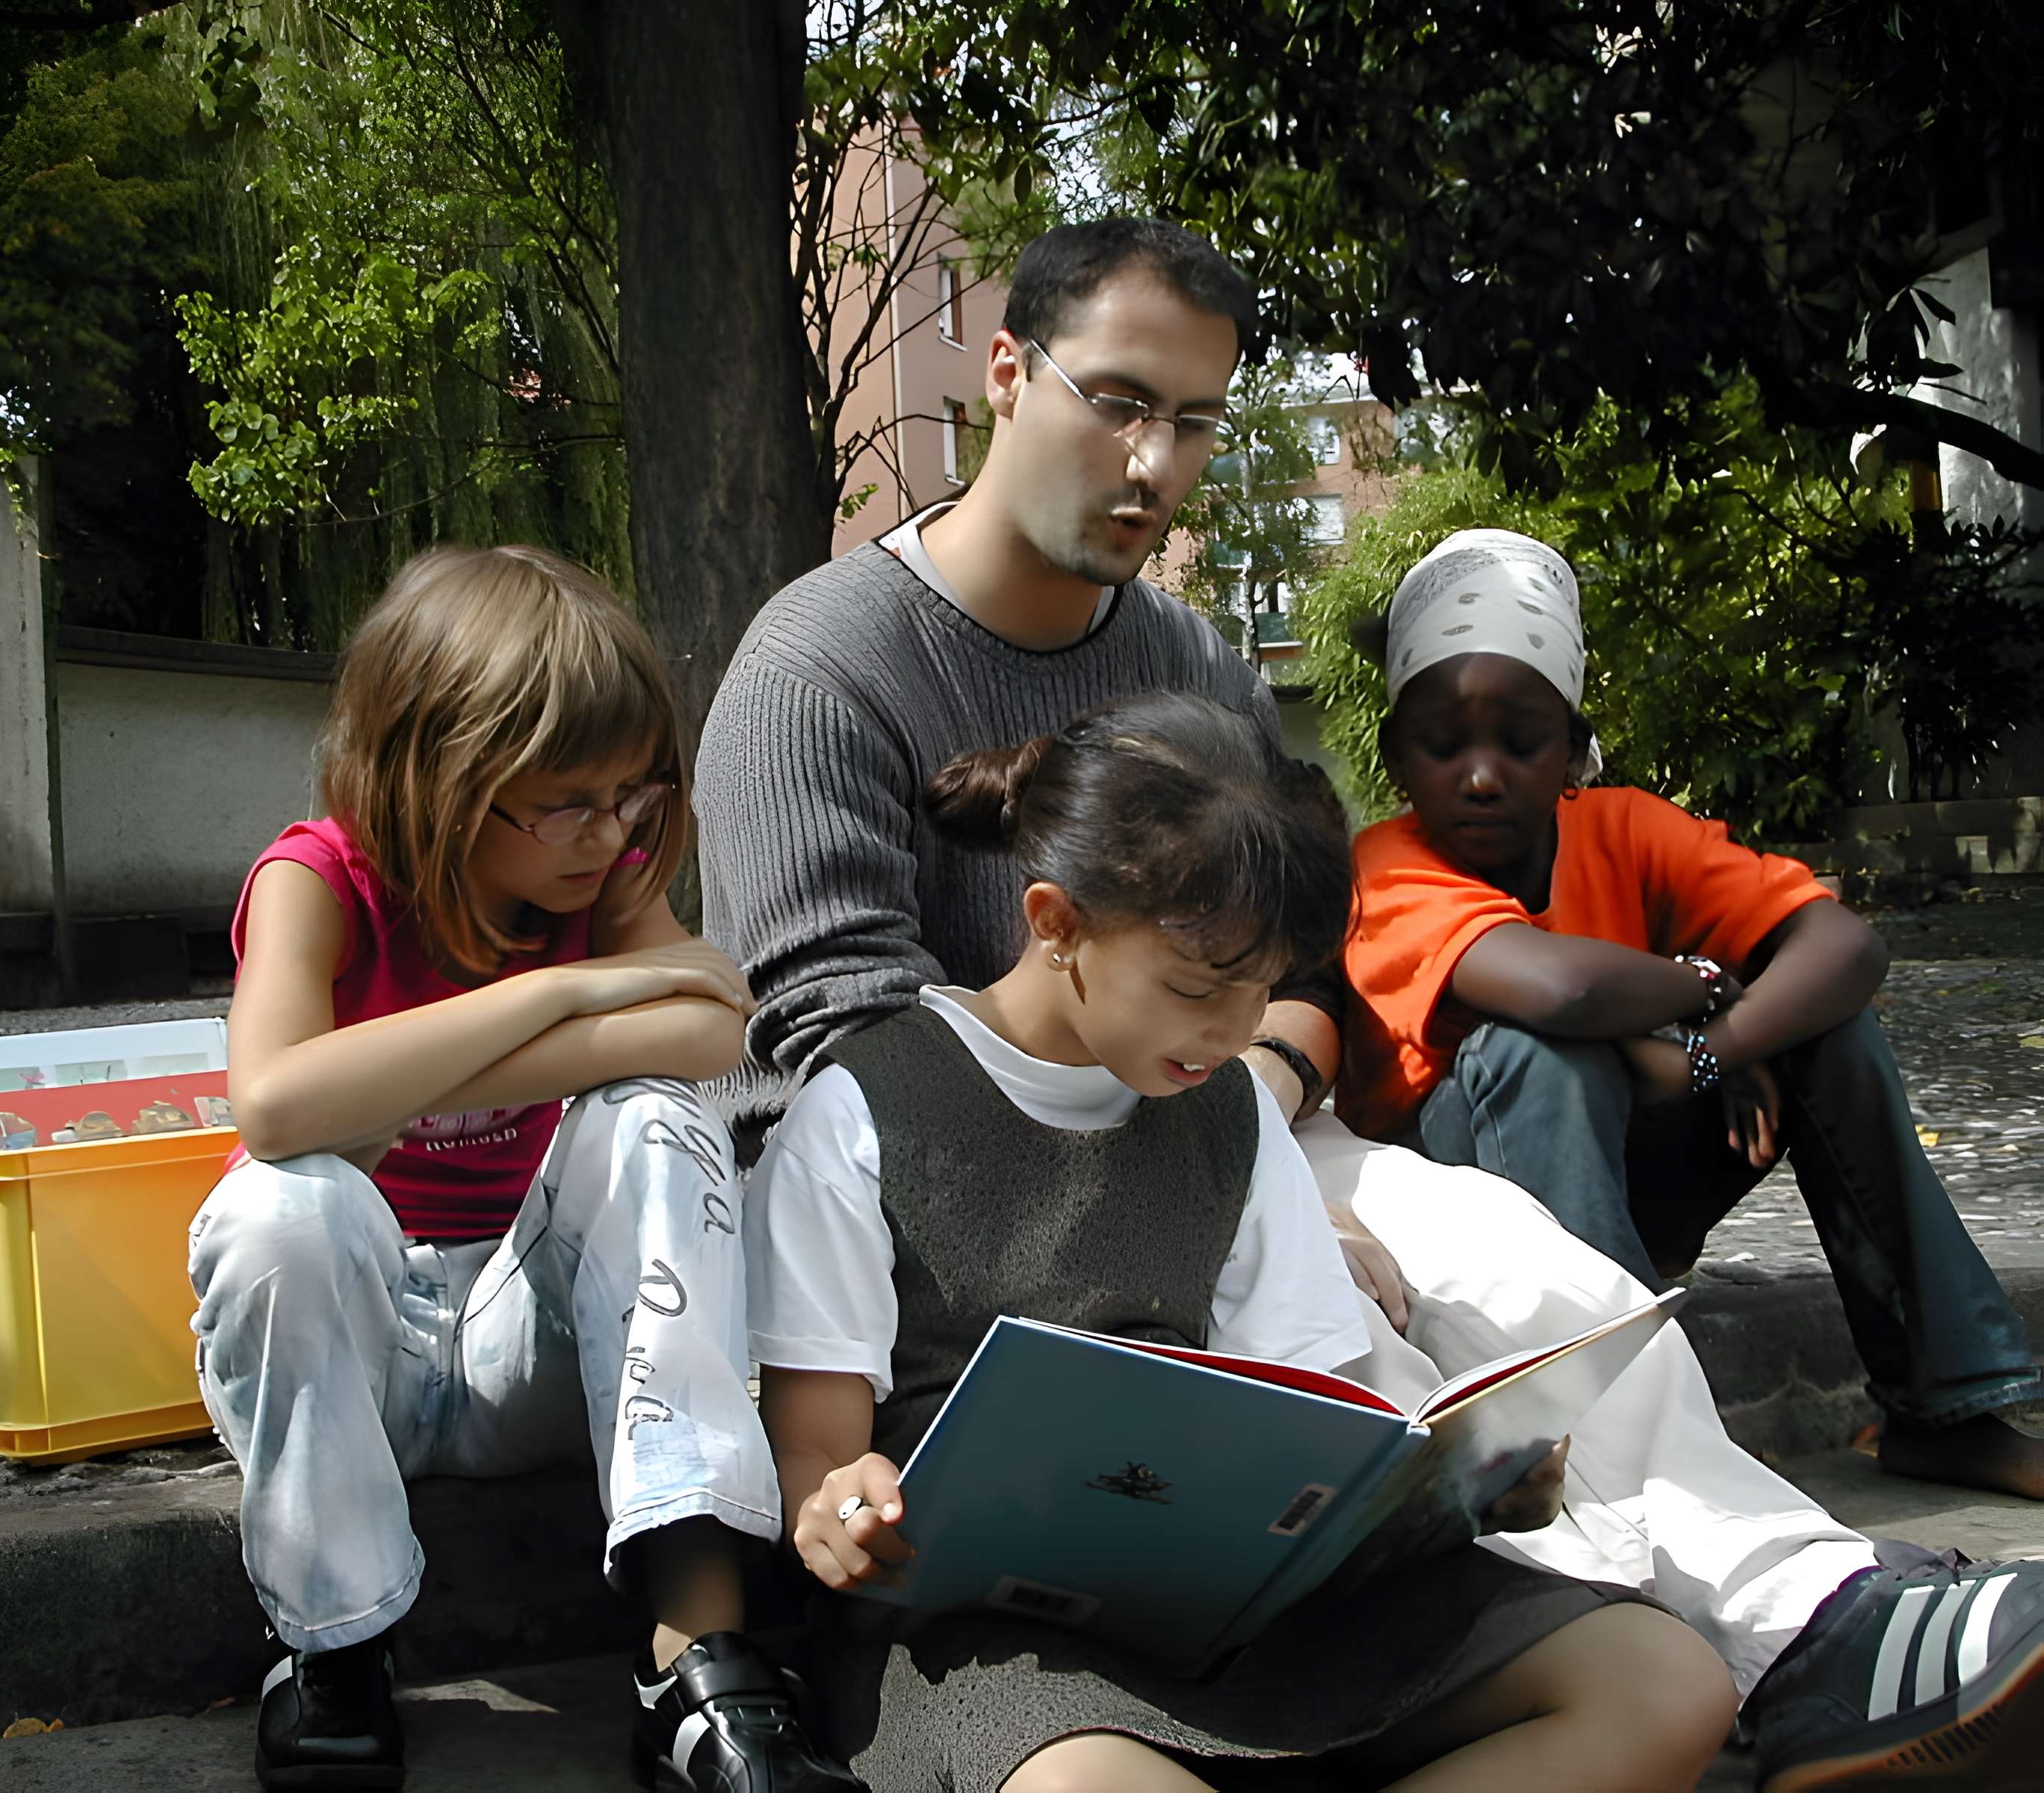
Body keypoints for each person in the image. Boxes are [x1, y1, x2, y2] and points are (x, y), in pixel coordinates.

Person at [699, 219, 2044, 1789]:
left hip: (1209, 1094)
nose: (1155, 459)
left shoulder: (1188, 660)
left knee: (1495, 1261)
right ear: (1008, 374)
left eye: (1196, 421)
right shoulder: (822, 668)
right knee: (1330, 1311)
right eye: (1118, 401)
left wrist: (1242, 1134)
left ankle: (1807, 1622)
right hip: (961, 1164)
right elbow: (827, 1030)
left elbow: (1311, 971)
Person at [749, 692, 1741, 1792]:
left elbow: (1311, 1416)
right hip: (988, 1643)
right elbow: (819, 1467)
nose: (1233, 1032)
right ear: (1055, 922)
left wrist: (1463, 1487)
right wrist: (847, 1512)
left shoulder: (1231, 1110)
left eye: (1264, 987)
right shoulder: (863, 1114)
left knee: (1665, 1681)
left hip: (1234, 1608)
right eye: (1196, 987)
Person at [192, 545, 861, 1792]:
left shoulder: (593, 874)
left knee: (663, 1124)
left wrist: (393, 1077)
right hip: (362, 1340)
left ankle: (696, 1647)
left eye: (631, 797)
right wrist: (566, 988)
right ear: (435, 780)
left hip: (526, 1340)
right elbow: (278, 1106)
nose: (609, 834)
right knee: (279, 1206)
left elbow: (713, 1026)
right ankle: (332, 1644)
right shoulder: (316, 881)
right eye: (566, 802)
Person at [1337, 526, 2044, 1506]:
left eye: (1521, 740)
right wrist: (1708, 983)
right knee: (1537, 1054)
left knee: (1827, 1032)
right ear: (1395, 755)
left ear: (1575, 748)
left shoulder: (1624, 829)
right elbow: (1561, 993)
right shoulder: (1386, 867)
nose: (1483, 774)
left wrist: (1712, 1052)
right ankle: (1633, 1442)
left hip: (1622, 1184)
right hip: (1456, 1231)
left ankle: (1947, 1411)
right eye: (1443, 744)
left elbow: (1844, 949)